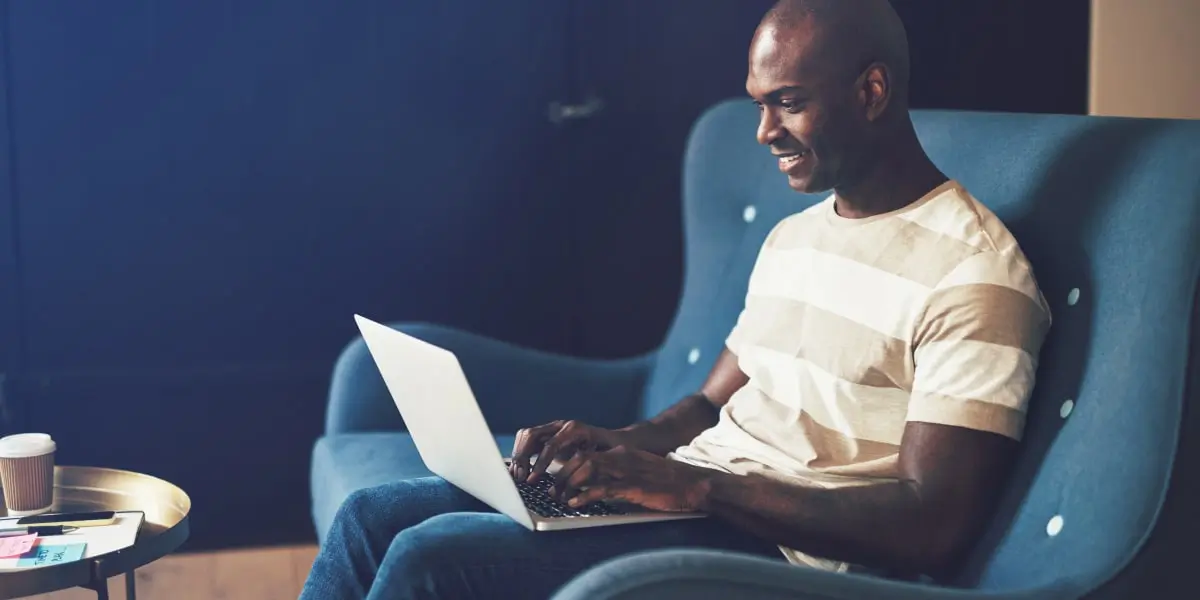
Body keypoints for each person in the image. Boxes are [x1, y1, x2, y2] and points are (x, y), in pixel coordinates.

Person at [300, 1, 1051, 598]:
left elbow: (931, 523)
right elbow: (702, 409)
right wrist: (610, 447)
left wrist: (694, 485)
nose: (764, 132)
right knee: (373, 518)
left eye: (787, 103)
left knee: (434, 561)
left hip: (773, 553)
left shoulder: (973, 276)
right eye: (759, 104)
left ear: (873, 90)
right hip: (697, 499)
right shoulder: (797, 238)